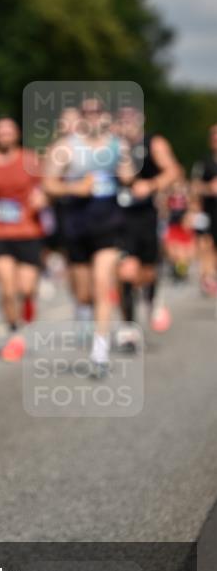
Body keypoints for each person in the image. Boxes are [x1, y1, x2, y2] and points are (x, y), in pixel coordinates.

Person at [44, 99, 134, 377]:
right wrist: (75, 187)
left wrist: (123, 155)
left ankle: (100, 351)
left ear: (106, 116)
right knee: (83, 293)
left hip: (109, 223)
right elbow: (48, 184)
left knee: (101, 283)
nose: (93, 117)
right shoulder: (66, 147)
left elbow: (129, 178)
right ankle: (85, 316)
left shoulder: (117, 145)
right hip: (76, 225)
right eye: (87, 113)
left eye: (98, 112)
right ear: (81, 117)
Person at [0, 118, 47, 361]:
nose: (4, 135)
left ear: (16, 134)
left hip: (28, 231)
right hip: (0, 232)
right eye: (0, 132)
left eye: (9, 131)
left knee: (25, 289)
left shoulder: (30, 159)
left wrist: (43, 199)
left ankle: (28, 305)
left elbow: (47, 187)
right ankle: (14, 334)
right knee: (7, 289)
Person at [115, 108, 181, 342]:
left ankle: (152, 299)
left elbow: (174, 171)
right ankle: (128, 326)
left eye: (131, 120)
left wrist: (151, 185)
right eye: (121, 120)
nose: (126, 124)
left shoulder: (153, 143)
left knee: (147, 271)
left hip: (145, 216)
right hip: (118, 218)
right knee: (125, 272)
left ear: (141, 121)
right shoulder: (111, 146)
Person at [191, 123, 217, 297]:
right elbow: (193, 187)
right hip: (208, 212)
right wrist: (209, 188)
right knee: (206, 245)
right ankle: (208, 278)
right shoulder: (203, 163)